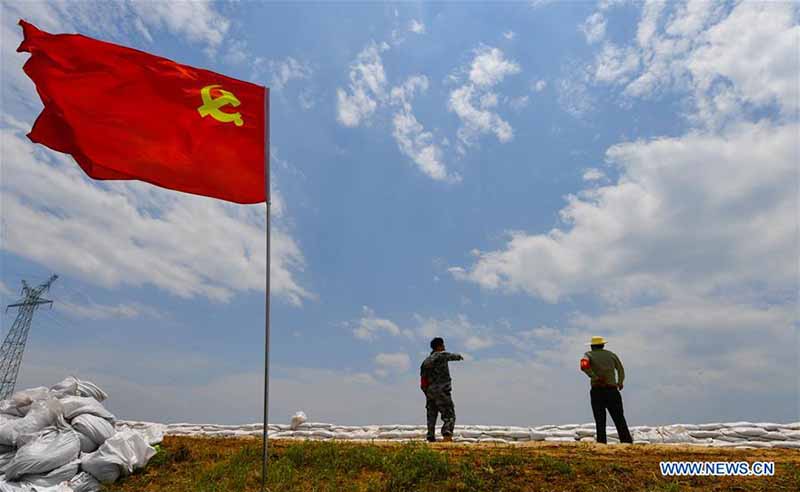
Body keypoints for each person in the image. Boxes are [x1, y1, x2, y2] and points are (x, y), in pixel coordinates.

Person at [580, 336, 633, 444]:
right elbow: (620, 369)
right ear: (603, 345)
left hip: (597, 390)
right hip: (612, 390)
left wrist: (594, 376)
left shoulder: (588, 355)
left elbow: (583, 365)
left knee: (600, 419)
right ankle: (626, 441)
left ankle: (601, 442)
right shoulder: (611, 355)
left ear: (592, 346)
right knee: (619, 417)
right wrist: (620, 382)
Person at [420, 337, 463, 442]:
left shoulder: (425, 362)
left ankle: (430, 435)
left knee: (431, 414)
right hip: (442, 390)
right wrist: (460, 357)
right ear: (439, 346)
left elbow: (423, 381)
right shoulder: (441, 355)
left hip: (430, 391)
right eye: (443, 345)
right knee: (449, 414)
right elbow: (455, 356)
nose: (444, 347)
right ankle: (447, 434)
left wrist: (427, 392)